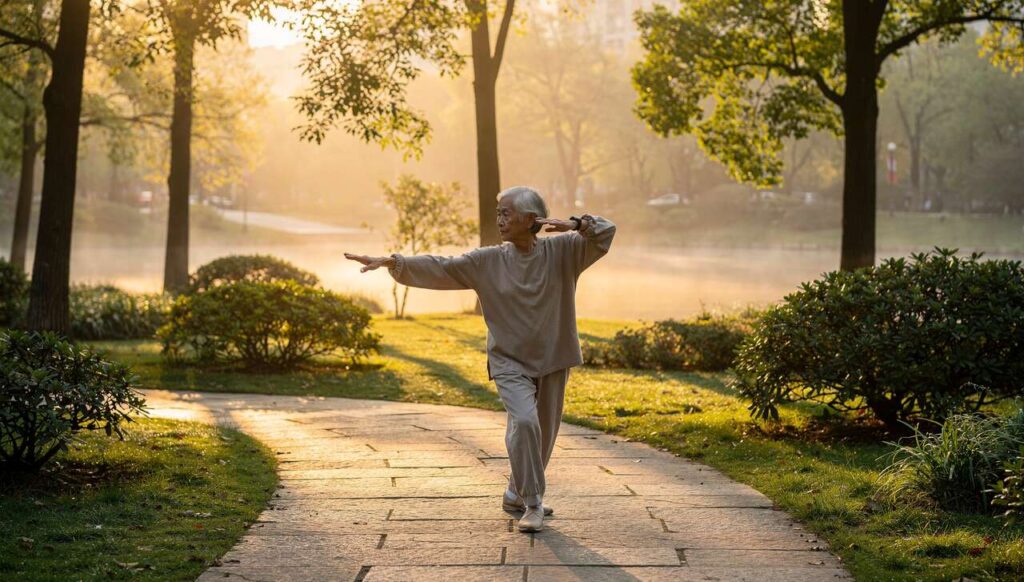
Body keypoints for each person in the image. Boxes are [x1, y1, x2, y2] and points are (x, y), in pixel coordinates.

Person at [344, 186, 615, 533]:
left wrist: (577, 224)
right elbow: (443, 266)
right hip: (509, 361)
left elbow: (606, 232)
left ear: (530, 219)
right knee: (525, 423)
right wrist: (394, 263)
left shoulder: (564, 251)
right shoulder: (487, 261)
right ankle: (533, 503)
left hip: (554, 356)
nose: (499, 219)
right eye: (498, 213)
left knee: (543, 435)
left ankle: (515, 494)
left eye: (506, 213)